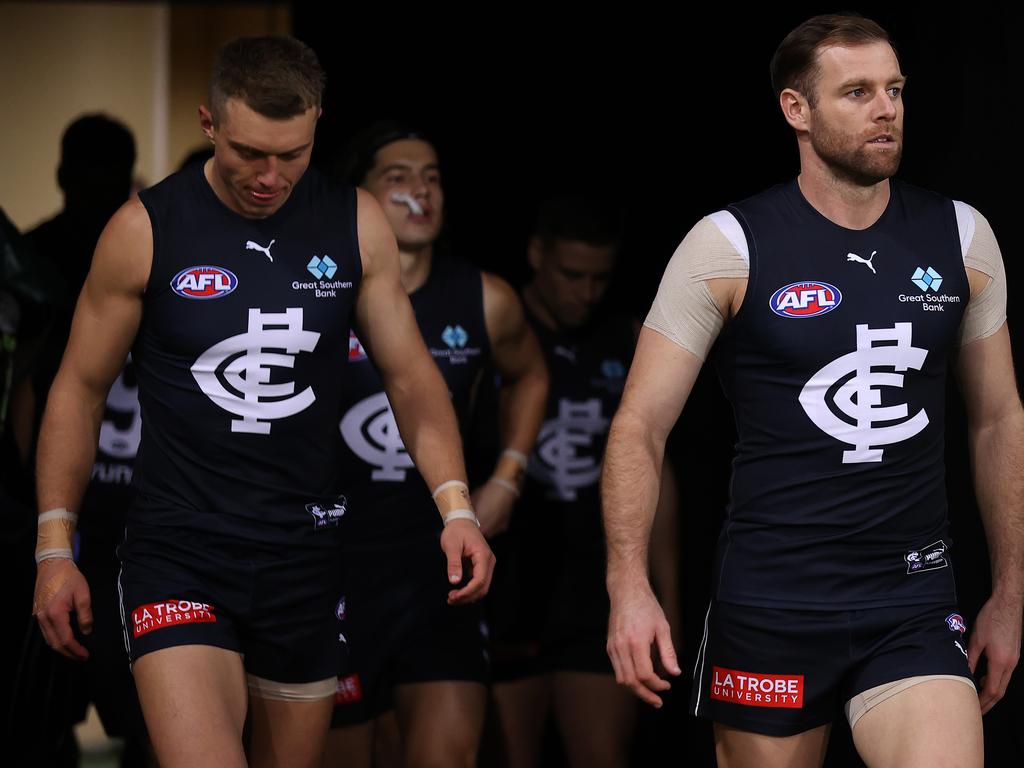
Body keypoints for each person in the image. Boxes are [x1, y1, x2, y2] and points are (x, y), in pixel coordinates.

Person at [31, 37, 494, 768]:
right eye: (250, 152)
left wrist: (457, 507)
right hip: (179, 551)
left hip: (303, 556)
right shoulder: (144, 229)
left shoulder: (355, 221)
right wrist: (55, 547)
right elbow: (78, 390)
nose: (270, 177)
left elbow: (411, 378)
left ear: (317, 126)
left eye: (294, 154)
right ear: (209, 123)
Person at [602, 13, 1022, 768]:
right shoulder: (727, 244)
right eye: (857, 92)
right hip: (773, 605)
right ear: (797, 110)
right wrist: (627, 586)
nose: (886, 109)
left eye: (894, 89)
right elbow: (639, 427)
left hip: (912, 601)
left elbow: (997, 419)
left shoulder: (961, 237)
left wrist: (1010, 593)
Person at [324, 123, 548, 768]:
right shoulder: (318, 289)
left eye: (432, 177)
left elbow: (531, 374)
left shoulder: (484, 296)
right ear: (360, 194)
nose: (420, 192)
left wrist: (506, 477)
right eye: (397, 177)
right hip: (334, 569)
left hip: (440, 571)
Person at [486, 197, 679, 768]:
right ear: (536, 255)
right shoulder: (498, 329)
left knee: (603, 753)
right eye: (572, 276)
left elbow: (659, 475)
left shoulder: (626, 339)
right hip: (508, 579)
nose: (585, 293)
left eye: (599, 278)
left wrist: (669, 595)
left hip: (595, 586)